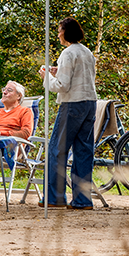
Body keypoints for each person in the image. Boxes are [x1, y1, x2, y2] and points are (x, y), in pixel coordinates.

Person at [40, 18, 98, 210]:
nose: (58, 34)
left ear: (66, 32)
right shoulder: (87, 52)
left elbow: (62, 86)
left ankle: (55, 198)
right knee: (83, 152)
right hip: (90, 103)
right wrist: (58, 73)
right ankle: (83, 200)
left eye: (59, 30)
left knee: (57, 149)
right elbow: (81, 78)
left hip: (72, 105)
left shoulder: (67, 53)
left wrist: (47, 76)